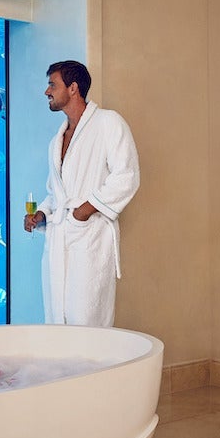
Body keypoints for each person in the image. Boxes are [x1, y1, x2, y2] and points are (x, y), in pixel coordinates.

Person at [23, 59, 139, 326]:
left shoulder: (109, 123)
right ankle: (64, 370)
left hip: (89, 237)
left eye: (52, 84)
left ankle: (93, 368)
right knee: (56, 315)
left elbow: (127, 176)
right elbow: (56, 193)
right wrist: (41, 214)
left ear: (73, 88)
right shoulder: (58, 139)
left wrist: (83, 212)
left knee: (87, 319)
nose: (47, 91)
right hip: (59, 236)